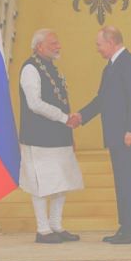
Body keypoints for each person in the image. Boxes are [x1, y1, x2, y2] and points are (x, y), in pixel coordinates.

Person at [74, 26, 131, 244]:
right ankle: (127, 227)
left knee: (130, 181)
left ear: (111, 42)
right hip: (117, 136)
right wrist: (81, 116)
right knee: (122, 182)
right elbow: (102, 99)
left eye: (99, 44)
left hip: (129, 135)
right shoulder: (111, 68)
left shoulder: (130, 63)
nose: (97, 49)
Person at [17, 29, 83, 244]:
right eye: (53, 43)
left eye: (58, 42)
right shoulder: (30, 68)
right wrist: (64, 118)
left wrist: (69, 131)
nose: (58, 46)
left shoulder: (52, 68)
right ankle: (43, 229)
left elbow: (61, 100)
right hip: (38, 138)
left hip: (59, 135)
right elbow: (34, 103)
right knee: (41, 184)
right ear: (39, 46)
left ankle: (56, 225)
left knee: (60, 182)